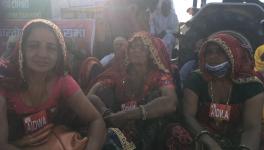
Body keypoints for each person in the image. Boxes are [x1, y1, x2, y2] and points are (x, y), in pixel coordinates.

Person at [0, 19, 106, 150]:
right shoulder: (5, 83)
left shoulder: (62, 81)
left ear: (59, 54)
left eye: (51, 48)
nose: (42, 54)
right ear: (22, 49)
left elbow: (96, 120)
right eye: (34, 45)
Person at [88, 31, 177, 150]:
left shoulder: (159, 75)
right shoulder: (122, 74)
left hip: (148, 128)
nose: (135, 50)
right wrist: (106, 112)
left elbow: (171, 102)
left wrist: (127, 115)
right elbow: (94, 93)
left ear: (151, 52)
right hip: (119, 123)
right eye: (132, 47)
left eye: (141, 48)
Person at [182, 32, 263, 150]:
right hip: (203, 133)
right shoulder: (197, 79)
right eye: (209, 52)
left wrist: (244, 148)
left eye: (220, 51)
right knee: (176, 132)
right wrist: (209, 141)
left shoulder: (251, 85)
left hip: (237, 135)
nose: (213, 56)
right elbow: (188, 115)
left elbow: (251, 127)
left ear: (234, 54)